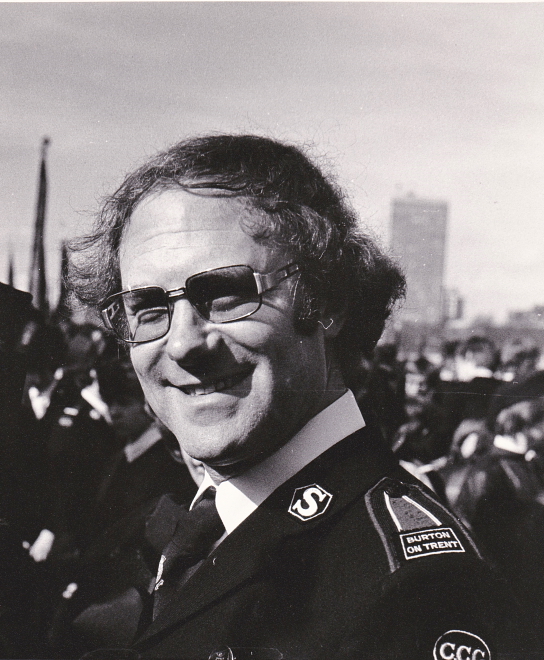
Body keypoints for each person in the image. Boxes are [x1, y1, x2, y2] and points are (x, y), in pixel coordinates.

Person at [68, 135, 532, 660]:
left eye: (224, 294)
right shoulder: (153, 533)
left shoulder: (417, 592)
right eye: (148, 309)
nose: (181, 344)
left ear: (327, 301)